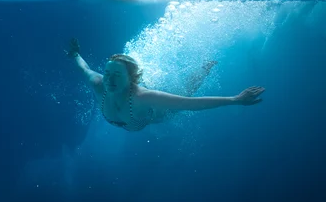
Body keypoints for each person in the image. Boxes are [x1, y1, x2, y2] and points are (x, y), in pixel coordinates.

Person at [67, 38, 265, 132]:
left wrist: (235, 99)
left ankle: (204, 69)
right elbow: (85, 68)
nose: (108, 79)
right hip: (134, 120)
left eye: (116, 75)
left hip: (158, 116)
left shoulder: (142, 97)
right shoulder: (98, 84)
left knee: (185, 92)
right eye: (107, 73)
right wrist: (75, 54)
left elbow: (190, 104)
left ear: (131, 79)